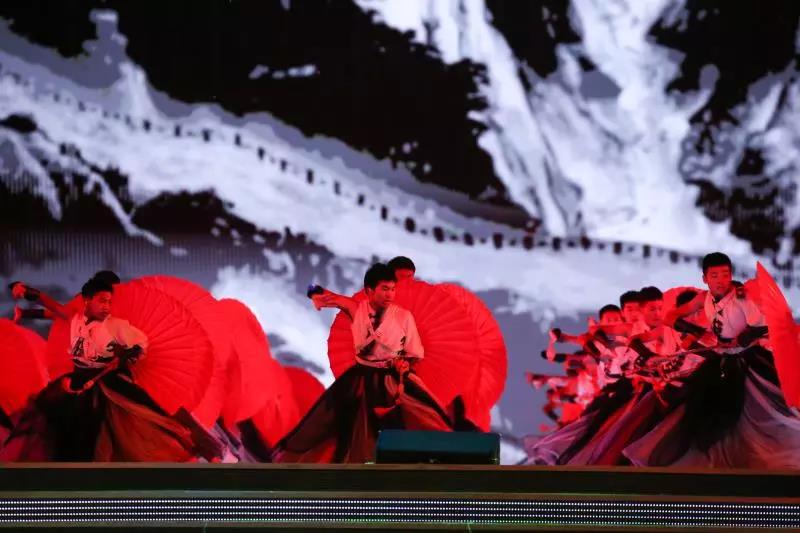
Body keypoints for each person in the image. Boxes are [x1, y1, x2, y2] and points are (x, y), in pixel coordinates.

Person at [3, 278, 222, 462]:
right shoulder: (76, 318)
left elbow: (139, 345)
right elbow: (52, 308)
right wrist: (26, 293)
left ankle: (200, 443)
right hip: (79, 380)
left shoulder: (117, 325)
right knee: (53, 412)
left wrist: (127, 353)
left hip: (110, 380)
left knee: (147, 407)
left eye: (108, 301)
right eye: (101, 301)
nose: (105, 306)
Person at [624, 252, 800, 468]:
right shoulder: (703, 298)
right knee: (701, 410)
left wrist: (739, 340)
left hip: (747, 359)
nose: (721, 281)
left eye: (725, 274)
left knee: (769, 409)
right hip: (722, 359)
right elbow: (670, 317)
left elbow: (762, 326)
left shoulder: (741, 296)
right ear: (705, 278)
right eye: (714, 276)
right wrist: (698, 332)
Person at [273, 263, 455, 463]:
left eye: (392, 289)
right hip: (361, 377)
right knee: (339, 427)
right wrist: (314, 294)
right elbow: (325, 294)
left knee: (425, 418)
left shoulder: (404, 316)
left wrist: (404, 363)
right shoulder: (356, 309)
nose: (390, 294)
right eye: (384, 289)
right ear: (370, 290)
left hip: (392, 378)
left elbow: (414, 352)